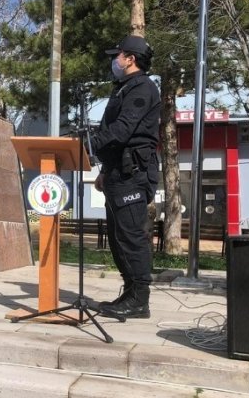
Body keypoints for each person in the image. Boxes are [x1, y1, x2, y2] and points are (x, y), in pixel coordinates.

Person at [91, 35, 161, 319]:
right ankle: (130, 293)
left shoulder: (142, 88)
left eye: (118, 55)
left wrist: (86, 145)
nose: (115, 61)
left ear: (130, 58)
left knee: (131, 236)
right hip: (118, 173)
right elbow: (116, 137)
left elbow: (122, 130)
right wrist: (105, 171)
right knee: (118, 237)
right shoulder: (124, 88)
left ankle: (140, 300)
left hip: (134, 174)